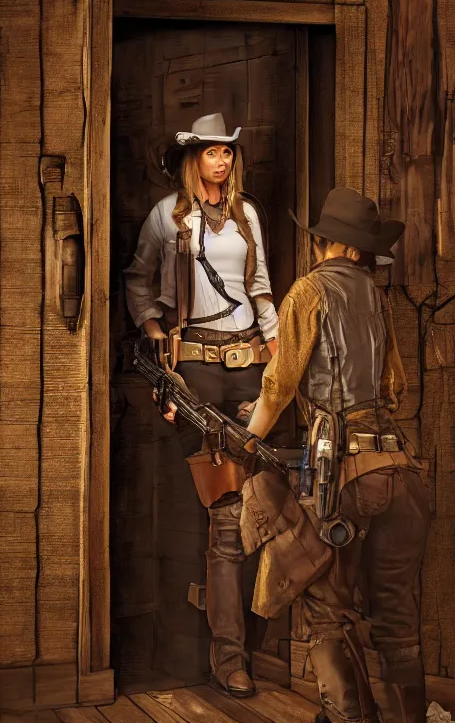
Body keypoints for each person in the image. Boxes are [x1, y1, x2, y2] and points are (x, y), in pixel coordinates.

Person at [240, 187, 431, 723]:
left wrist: (250, 437)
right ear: (358, 249)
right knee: (397, 617)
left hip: (344, 474)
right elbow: (394, 385)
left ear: (323, 242)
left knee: (326, 611)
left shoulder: (308, 291)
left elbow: (278, 387)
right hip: (399, 469)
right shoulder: (376, 295)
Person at [124, 113, 278, 698]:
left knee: (270, 500)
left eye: (228, 153)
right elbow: (138, 280)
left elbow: (260, 286)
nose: (223, 161)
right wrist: (155, 329)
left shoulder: (248, 214)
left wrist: (277, 350)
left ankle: (265, 643)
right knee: (226, 516)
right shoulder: (168, 216)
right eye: (212, 153)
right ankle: (229, 658)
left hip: (249, 366)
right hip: (194, 367)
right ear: (193, 161)